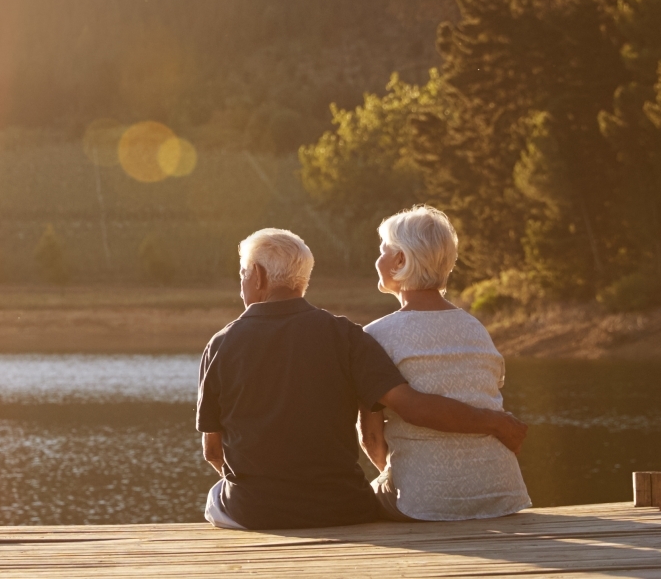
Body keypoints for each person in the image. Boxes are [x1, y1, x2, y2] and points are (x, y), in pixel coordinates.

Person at [197, 228, 526, 530]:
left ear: (257, 276)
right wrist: (494, 422)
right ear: (303, 280)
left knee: (215, 498)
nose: (242, 283)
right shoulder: (347, 336)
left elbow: (213, 452)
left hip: (255, 511)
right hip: (342, 508)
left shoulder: (220, 345)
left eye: (242, 274)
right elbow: (406, 406)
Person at [358, 206, 531, 521]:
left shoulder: (375, 336)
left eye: (383, 251)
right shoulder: (475, 328)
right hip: (502, 495)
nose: (378, 260)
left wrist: (407, 478)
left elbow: (370, 439)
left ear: (400, 260)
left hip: (423, 503)